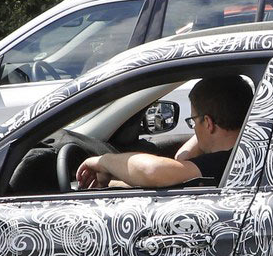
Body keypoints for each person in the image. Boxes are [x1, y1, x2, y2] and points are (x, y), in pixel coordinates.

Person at [75, 75, 253, 190]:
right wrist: (110, 182)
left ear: (208, 123)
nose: (193, 129)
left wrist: (104, 161)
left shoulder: (222, 163)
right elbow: (181, 160)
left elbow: (152, 171)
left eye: (192, 121)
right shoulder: (244, 154)